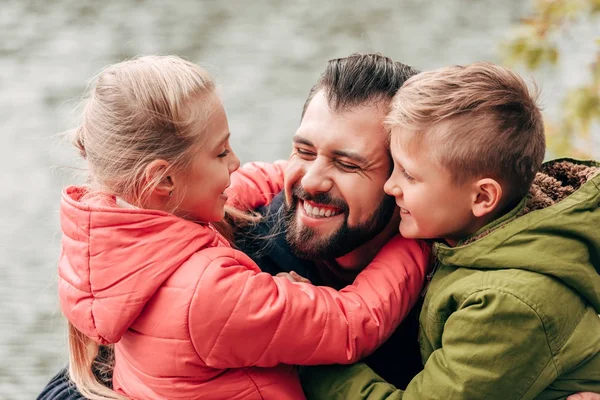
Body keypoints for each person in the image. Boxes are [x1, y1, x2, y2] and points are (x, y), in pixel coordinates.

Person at [38, 53, 430, 400]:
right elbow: (75, 384)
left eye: (347, 164)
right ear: (163, 182)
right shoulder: (236, 247)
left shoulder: (449, 288)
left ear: (402, 178)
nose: (309, 180)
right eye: (303, 152)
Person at [300, 62, 600, 399]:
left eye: (409, 175)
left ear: (482, 197)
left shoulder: (505, 305)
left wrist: (310, 353)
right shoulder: (481, 234)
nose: (390, 186)